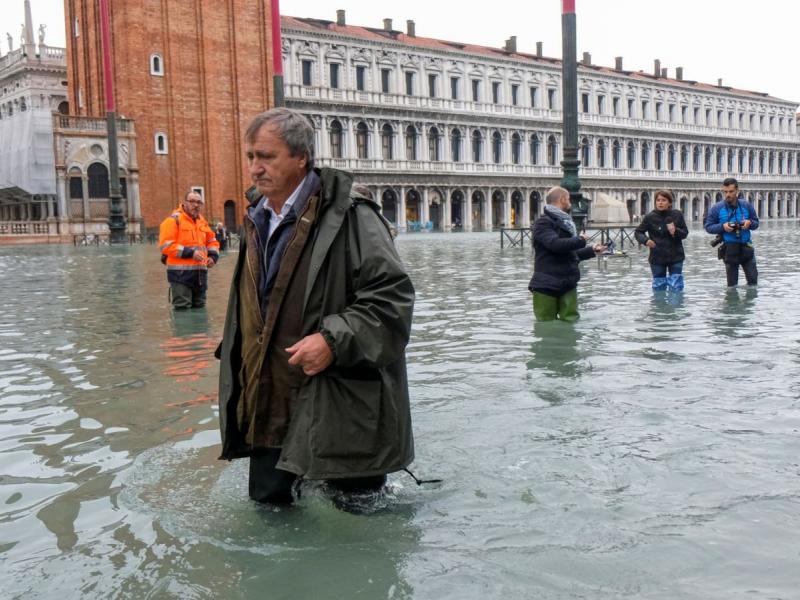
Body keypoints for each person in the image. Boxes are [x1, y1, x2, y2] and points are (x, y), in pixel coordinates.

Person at [216, 107, 415, 506]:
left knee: (356, 519)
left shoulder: (354, 216)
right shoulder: (256, 218)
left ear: (301, 158)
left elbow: (392, 300)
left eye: (266, 157)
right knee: (270, 512)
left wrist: (332, 341)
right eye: (250, 156)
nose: (254, 168)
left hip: (340, 403)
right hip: (268, 399)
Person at [528, 186, 606, 322]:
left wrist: (592, 250)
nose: (570, 202)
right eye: (568, 199)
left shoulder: (567, 223)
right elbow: (555, 244)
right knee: (546, 325)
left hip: (568, 282)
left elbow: (570, 254)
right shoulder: (543, 223)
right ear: (562, 199)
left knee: (571, 321)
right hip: (546, 284)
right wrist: (580, 240)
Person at [158, 191, 219, 309]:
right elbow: (166, 246)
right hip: (180, 275)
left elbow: (212, 241)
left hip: (200, 275)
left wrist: (213, 257)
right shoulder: (173, 221)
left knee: (200, 307)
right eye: (192, 201)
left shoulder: (203, 222)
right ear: (184, 203)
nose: (196, 205)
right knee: (183, 308)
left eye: (199, 202)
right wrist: (191, 253)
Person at [704, 177, 759, 286]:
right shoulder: (717, 208)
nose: (727, 194)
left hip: (747, 247)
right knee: (732, 285)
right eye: (725, 192)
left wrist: (749, 223)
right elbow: (708, 227)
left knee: (753, 282)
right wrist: (723, 227)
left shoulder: (746, 205)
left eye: (731, 191)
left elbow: (756, 223)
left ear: (737, 190)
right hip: (729, 249)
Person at [634, 189, 689, 292]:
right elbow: (638, 232)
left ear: (669, 202)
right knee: (659, 288)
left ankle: (676, 301)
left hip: (676, 256)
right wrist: (646, 240)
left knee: (676, 287)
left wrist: (675, 231)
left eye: (663, 200)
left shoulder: (677, 214)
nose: (660, 203)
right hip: (657, 257)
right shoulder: (650, 217)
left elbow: (685, 233)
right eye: (658, 200)